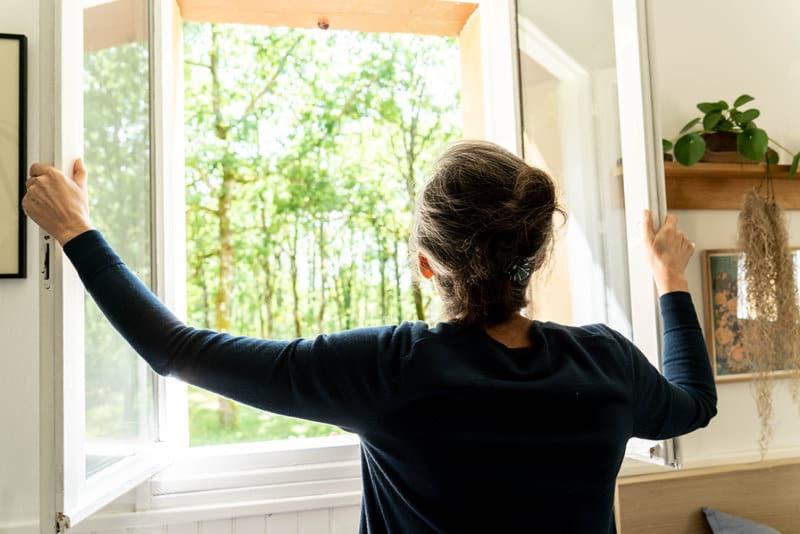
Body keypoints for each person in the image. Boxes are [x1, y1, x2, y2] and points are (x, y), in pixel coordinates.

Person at [22, 140, 717, 533]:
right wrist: (670, 278)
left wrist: (77, 230)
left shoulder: (393, 368)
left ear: (427, 265)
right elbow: (694, 403)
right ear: (535, 257)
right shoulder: (606, 363)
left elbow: (175, 349)